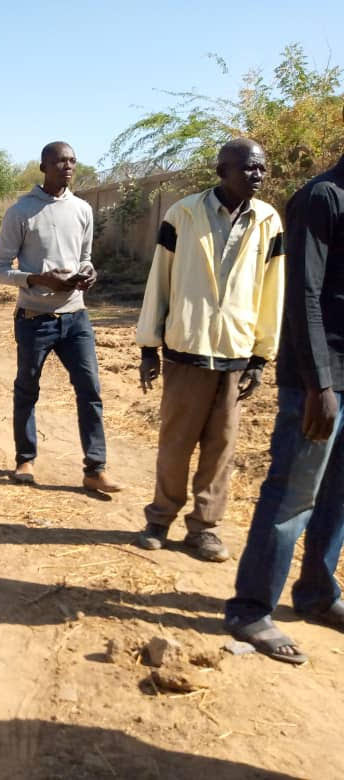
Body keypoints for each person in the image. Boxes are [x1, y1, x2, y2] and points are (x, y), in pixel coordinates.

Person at [135, 139, 285, 562]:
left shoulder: (268, 221)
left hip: (236, 351)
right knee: (176, 441)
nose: (257, 175)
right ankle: (160, 518)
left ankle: (204, 529)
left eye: (262, 169)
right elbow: (159, 280)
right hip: (187, 347)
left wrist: (261, 355)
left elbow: (273, 291)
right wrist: (149, 345)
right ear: (222, 170)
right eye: (248, 168)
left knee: (222, 447)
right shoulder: (183, 213)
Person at [224, 151, 344, 663]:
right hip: (318, 384)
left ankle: (318, 594)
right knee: (293, 497)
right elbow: (305, 296)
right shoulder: (322, 197)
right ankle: (251, 610)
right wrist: (320, 383)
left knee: (338, 497)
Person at [0, 141, 120, 493]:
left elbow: (86, 257)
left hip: (76, 317)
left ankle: (95, 468)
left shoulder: (82, 209)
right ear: (43, 166)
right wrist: (37, 279)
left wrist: (88, 273)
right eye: (60, 161)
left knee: (90, 390)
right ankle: (24, 459)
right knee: (27, 389)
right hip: (35, 318)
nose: (68, 166)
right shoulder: (22, 212)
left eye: (73, 161)